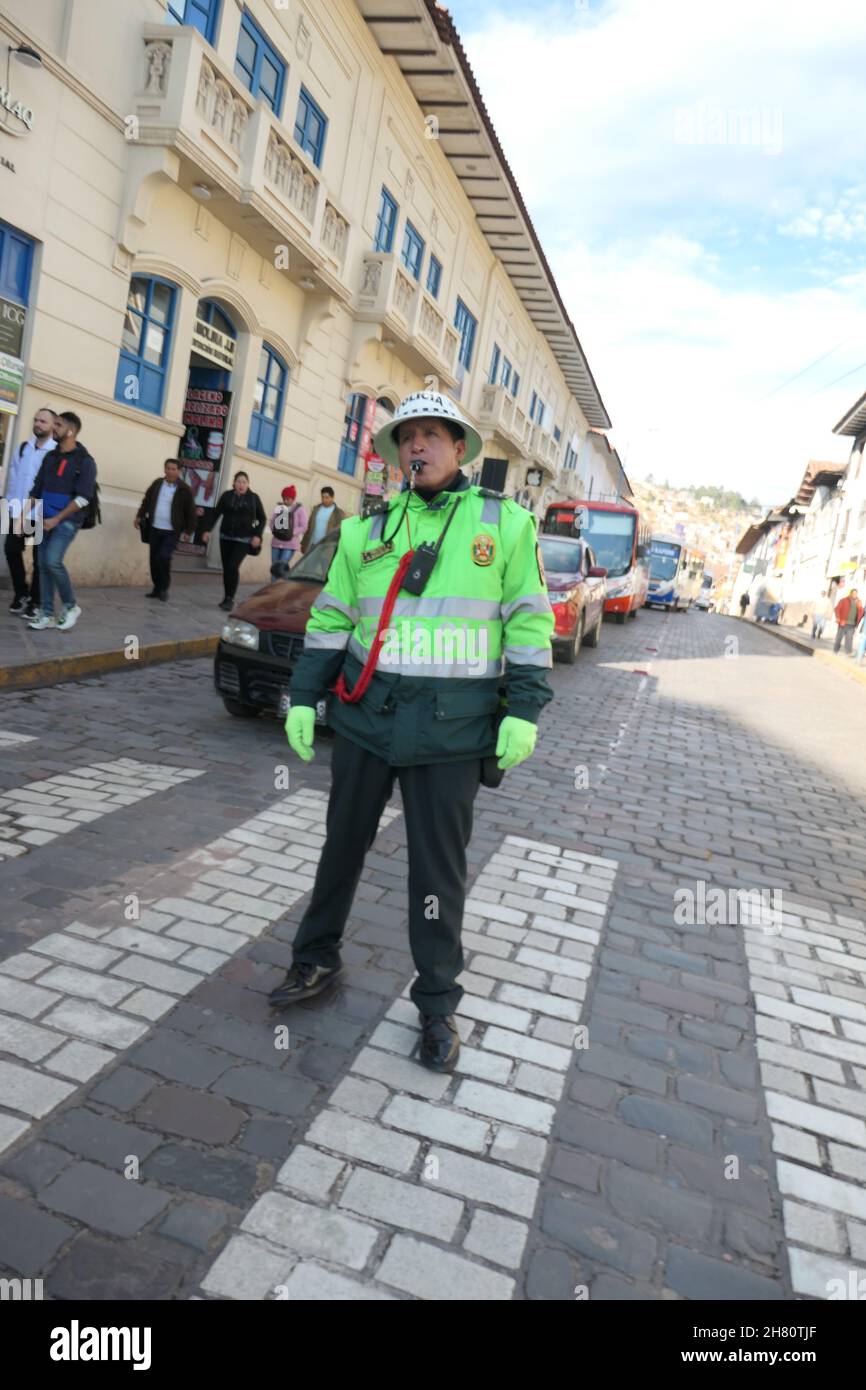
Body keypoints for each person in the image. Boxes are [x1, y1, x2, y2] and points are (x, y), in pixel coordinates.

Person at [269, 389, 555, 1073]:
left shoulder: (506, 525)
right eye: (407, 437)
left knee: (438, 873)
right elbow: (333, 619)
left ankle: (436, 1005)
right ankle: (315, 961)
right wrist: (305, 697)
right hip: (369, 721)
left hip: (453, 732)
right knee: (341, 849)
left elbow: (528, 624)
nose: (417, 447)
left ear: (460, 448)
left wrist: (524, 709)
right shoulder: (368, 530)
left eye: (432, 435)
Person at [27, 411, 96, 632]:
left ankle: (71, 605)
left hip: (67, 520)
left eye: (58, 424)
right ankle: (46, 614)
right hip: (43, 518)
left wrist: (57, 519)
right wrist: (22, 517)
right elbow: (36, 489)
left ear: (71, 430)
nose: (53, 428)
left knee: (52, 561)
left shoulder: (85, 461)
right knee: (42, 565)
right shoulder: (50, 457)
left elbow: (84, 497)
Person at [3, 405, 55, 617]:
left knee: (39, 558)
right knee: (11, 549)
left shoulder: (54, 452)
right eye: (36, 420)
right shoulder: (24, 447)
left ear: (53, 425)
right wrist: (9, 504)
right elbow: (14, 478)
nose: (38, 424)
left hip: (40, 513)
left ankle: (36, 601)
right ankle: (21, 593)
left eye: (43, 421)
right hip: (19, 512)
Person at [202, 470, 266, 611]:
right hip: (225, 537)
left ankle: (230, 598)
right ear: (234, 483)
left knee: (232, 566)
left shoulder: (253, 498)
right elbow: (216, 513)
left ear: (248, 484)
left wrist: (258, 535)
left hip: (243, 540)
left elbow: (262, 518)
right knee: (226, 569)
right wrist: (207, 530)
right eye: (238, 481)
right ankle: (227, 597)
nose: (241, 484)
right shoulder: (227, 496)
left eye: (244, 482)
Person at [134, 459, 196, 601]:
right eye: (167, 468)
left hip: (172, 531)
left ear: (179, 471)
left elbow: (191, 512)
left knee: (163, 557)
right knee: (154, 559)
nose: (170, 471)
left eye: (173, 469)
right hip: (155, 528)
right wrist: (140, 515)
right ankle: (157, 588)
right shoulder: (157, 484)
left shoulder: (184, 489)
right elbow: (147, 500)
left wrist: (188, 531)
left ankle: (164, 587)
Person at [269, 485, 307, 573]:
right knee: (274, 568)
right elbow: (271, 522)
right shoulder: (279, 508)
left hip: (290, 545)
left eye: (288, 498)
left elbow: (304, 526)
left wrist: (291, 532)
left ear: (293, 499)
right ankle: (274, 586)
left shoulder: (299, 510)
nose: (285, 501)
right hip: (276, 543)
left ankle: (279, 586)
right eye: (284, 498)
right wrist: (275, 530)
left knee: (281, 569)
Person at [300, 485, 345, 555]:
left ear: (333, 497)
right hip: (312, 544)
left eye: (327, 497)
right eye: (322, 497)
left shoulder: (339, 513)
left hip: (327, 548)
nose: (324, 500)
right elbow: (309, 527)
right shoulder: (316, 509)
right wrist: (304, 543)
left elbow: (340, 532)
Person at [834, 588, 864, 655]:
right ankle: (836, 650)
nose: (854, 595)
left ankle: (848, 652)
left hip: (852, 624)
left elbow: (861, 612)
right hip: (843, 622)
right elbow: (837, 609)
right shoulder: (844, 600)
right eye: (853, 593)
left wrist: (860, 607)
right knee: (839, 637)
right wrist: (838, 618)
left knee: (849, 638)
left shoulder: (858, 602)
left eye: (856, 593)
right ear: (850, 593)